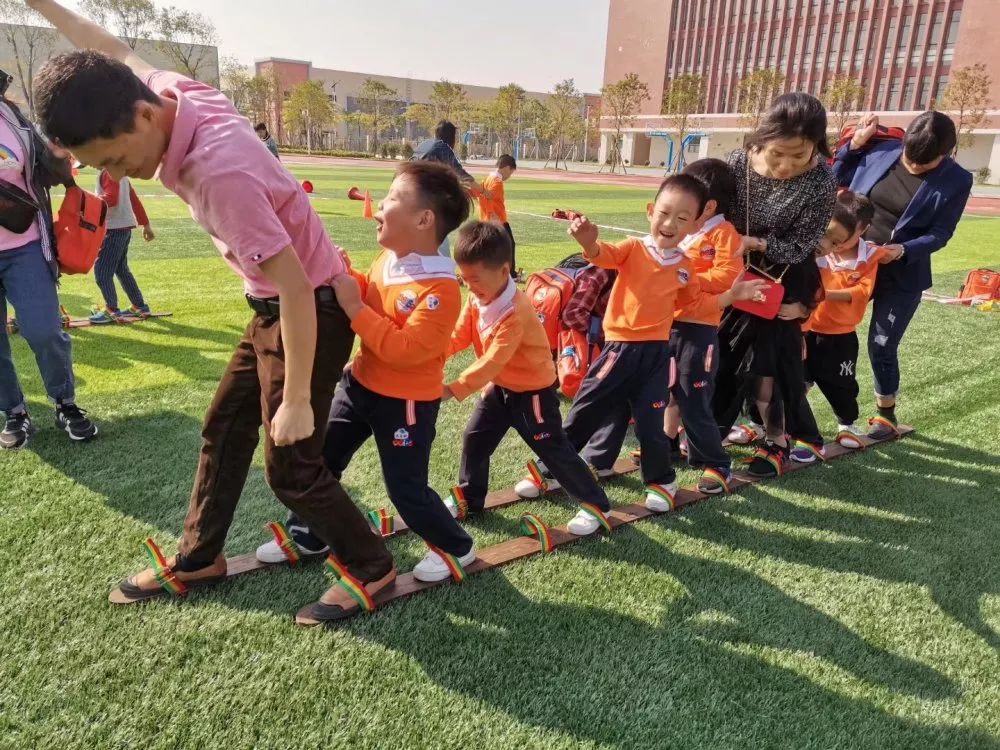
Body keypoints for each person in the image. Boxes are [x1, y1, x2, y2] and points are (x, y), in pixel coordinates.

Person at [30, 0, 395, 619]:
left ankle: (371, 566)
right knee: (225, 428)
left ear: (144, 115)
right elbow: (107, 47)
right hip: (273, 306)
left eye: (117, 160)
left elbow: (299, 289)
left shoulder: (218, 173)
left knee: (292, 467)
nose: (126, 175)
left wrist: (300, 398)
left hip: (309, 308)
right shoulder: (171, 93)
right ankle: (200, 556)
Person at [255, 161, 478, 582]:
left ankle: (456, 547)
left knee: (405, 489)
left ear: (423, 220)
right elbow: (370, 296)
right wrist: (345, 274)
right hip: (358, 385)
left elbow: (407, 350)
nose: (379, 207)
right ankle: (311, 531)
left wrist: (354, 306)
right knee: (321, 460)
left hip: (406, 403)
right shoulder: (387, 260)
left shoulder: (440, 289)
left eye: (392, 198)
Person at [522, 175, 764, 511]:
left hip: (655, 356)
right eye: (665, 213)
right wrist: (588, 243)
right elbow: (603, 255)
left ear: (694, 224)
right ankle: (551, 469)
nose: (670, 224)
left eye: (682, 218)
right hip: (618, 349)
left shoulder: (684, 266)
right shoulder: (633, 248)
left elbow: (693, 306)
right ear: (650, 211)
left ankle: (661, 482)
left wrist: (730, 296)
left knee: (651, 423)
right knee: (586, 409)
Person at [446, 220, 613, 535]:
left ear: (504, 269)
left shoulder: (516, 311)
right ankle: (470, 496)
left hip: (533, 394)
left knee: (553, 449)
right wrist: (432, 353)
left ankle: (596, 505)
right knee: (475, 438)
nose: (470, 286)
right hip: (501, 388)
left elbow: (495, 358)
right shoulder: (476, 298)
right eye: (464, 278)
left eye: (475, 279)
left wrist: (454, 388)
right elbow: (460, 334)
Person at [713, 92, 836, 476]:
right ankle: (711, 429)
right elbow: (715, 219)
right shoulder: (736, 164)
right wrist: (732, 250)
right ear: (761, 139)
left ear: (817, 147)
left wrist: (759, 243)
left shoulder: (821, 180)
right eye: (777, 154)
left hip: (786, 278)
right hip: (735, 270)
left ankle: (777, 440)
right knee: (723, 354)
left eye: (799, 156)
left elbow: (803, 244)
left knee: (774, 364)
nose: (786, 166)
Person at [832, 111, 972, 438]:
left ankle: (885, 415)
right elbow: (833, 177)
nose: (912, 166)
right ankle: (790, 404)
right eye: (909, 157)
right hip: (850, 264)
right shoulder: (880, 149)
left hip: (901, 273)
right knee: (825, 332)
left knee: (881, 343)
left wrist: (903, 250)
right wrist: (853, 145)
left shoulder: (958, 180)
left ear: (945, 154)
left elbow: (941, 233)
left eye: (923, 165)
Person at [0, 66, 97, 450]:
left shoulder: (14, 119)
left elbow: (50, 167)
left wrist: (59, 159)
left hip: (25, 245)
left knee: (43, 330)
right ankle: (14, 411)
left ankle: (65, 402)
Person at [666, 158, 745, 494]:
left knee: (694, 395)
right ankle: (665, 443)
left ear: (708, 204)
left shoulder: (723, 234)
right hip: (668, 324)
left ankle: (715, 463)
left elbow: (728, 275)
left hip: (698, 328)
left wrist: (685, 280)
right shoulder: (685, 231)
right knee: (668, 392)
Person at [803, 191, 882, 448]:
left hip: (839, 336)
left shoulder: (868, 256)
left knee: (841, 384)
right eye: (831, 233)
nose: (838, 241)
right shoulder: (816, 247)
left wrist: (823, 294)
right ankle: (770, 422)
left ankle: (846, 423)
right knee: (794, 379)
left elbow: (860, 293)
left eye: (849, 234)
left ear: (864, 229)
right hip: (805, 328)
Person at [89, 169, 154, 323]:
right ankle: (139, 306)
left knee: (102, 271)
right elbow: (134, 200)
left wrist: (88, 202)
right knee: (121, 269)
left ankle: (112, 310)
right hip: (124, 228)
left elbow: (111, 199)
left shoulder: (108, 173)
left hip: (113, 229)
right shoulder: (120, 174)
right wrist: (145, 224)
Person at [412, 120, 485, 257]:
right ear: (451, 136)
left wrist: (462, 189)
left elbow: (441, 177)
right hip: (423, 198)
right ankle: (446, 271)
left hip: (408, 193)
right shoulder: (442, 148)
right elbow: (460, 173)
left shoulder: (425, 145)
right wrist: (483, 190)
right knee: (439, 231)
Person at [478, 154, 518, 277]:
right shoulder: (497, 181)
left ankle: (485, 270)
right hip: (498, 220)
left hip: (488, 219)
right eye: (510, 173)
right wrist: (491, 213)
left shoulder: (488, 178)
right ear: (506, 168)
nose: (509, 176)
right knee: (509, 245)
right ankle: (510, 274)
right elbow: (487, 197)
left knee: (489, 247)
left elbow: (480, 195)